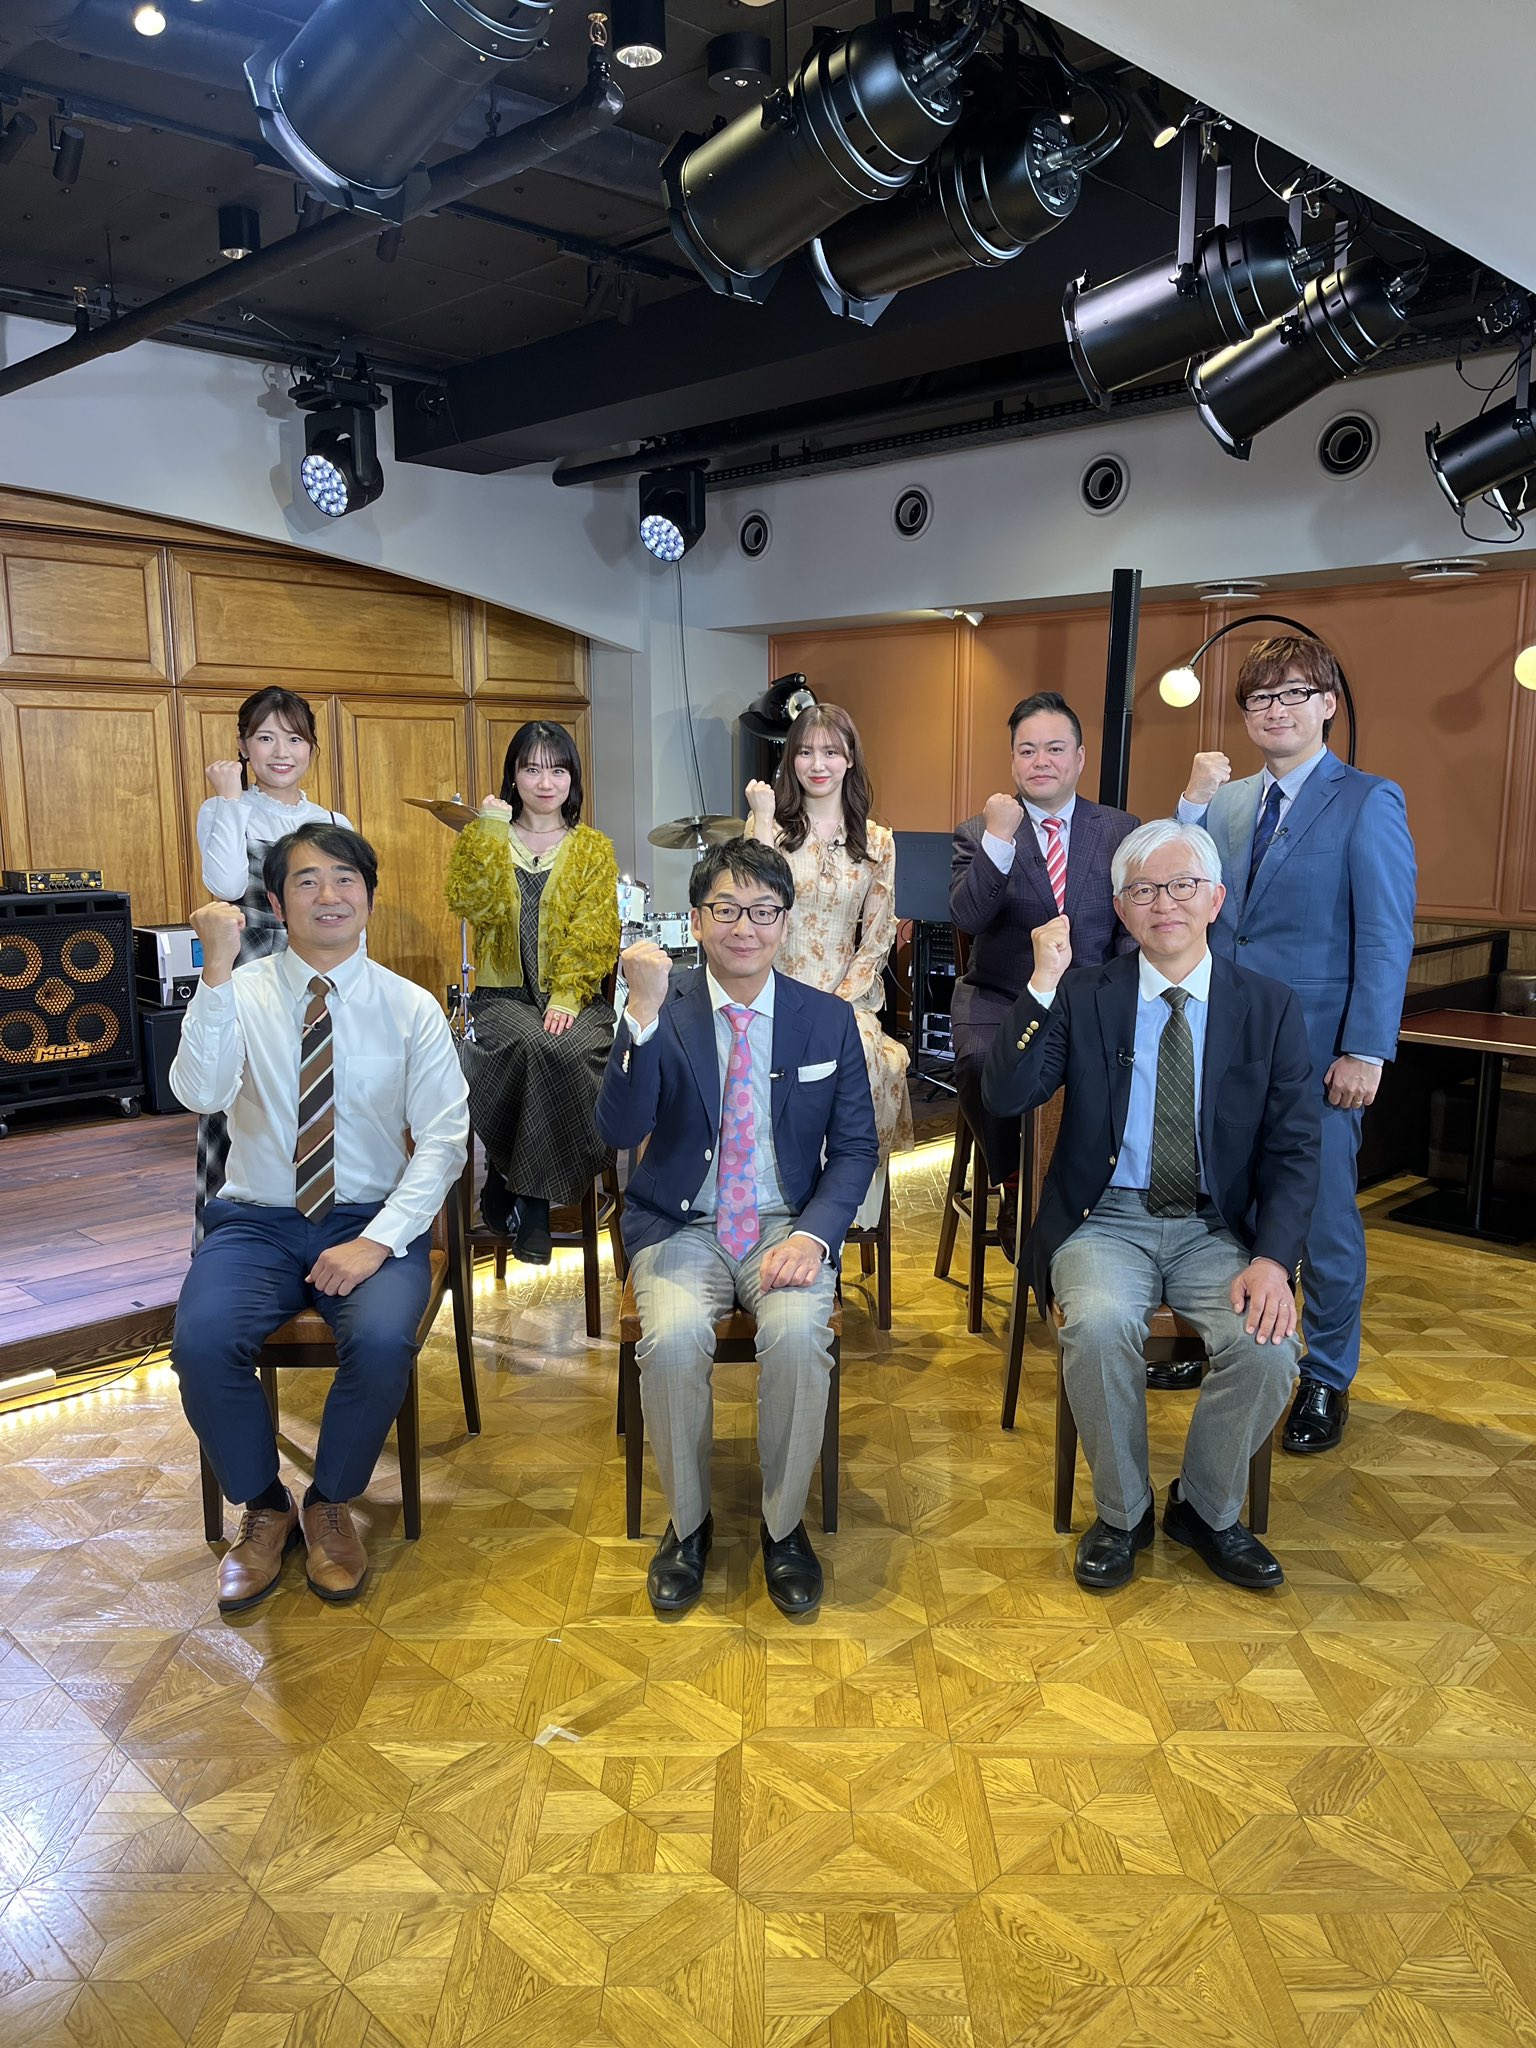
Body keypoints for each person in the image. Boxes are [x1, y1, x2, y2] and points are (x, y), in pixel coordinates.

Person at [983, 819, 1320, 1593]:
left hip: (1215, 1229)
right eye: (1143, 890)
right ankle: (1124, 1514)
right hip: (1104, 1220)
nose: (1164, 903)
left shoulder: (1267, 1007)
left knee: (1269, 1351)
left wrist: (1274, 1260)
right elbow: (1005, 1093)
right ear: (1121, 910)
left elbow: (1296, 1150)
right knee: (1099, 1327)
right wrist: (1041, 983)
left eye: (1182, 886)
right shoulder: (1084, 995)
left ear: (1215, 900)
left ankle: (1203, 1507)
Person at [169, 823, 469, 1615]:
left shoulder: (409, 1007)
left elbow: (445, 1140)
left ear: (369, 896)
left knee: (381, 1341)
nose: (328, 895)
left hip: (370, 1217)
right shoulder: (241, 990)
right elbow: (199, 1093)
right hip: (256, 1221)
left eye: (344, 879)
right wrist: (214, 973)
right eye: (306, 881)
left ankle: (330, 1502)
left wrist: (376, 1241)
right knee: (201, 1343)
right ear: (276, 903)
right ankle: (265, 1507)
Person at [595, 838, 878, 1618]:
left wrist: (814, 1236)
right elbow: (619, 1130)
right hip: (682, 1225)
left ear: (786, 922)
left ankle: (784, 1529)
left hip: (787, 1226)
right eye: (725, 909)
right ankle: (688, 1526)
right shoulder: (664, 1005)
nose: (744, 927)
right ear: (696, 919)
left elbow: (857, 1149)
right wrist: (639, 1016)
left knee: (797, 1336)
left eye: (762, 911)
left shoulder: (826, 1020)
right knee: (672, 1339)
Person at [1177, 635, 1416, 1454]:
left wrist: (1367, 1050)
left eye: (1292, 695)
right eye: (1259, 699)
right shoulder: (1228, 802)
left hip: (1320, 1055)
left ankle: (1328, 1374)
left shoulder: (1369, 800)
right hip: (1225, 1044)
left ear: (1327, 705)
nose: (1275, 711)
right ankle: (1232, 1344)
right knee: (1229, 1209)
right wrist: (1189, 803)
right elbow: (1186, 896)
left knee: (1322, 1221)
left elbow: (1385, 934)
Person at [951, 690, 1137, 1254]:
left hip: (1091, 999)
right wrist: (998, 840)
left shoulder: (1120, 830)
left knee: (1124, 1065)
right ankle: (1014, 1183)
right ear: (1013, 760)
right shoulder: (979, 831)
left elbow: (1132, 926)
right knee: (981, 1063)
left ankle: (1093, 1188)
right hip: (1000, 996)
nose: (1041, 761)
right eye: (1027, 750)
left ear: (1079, 758)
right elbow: (969, 916)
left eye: (1055, 749)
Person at [444, 721, 620, 1265]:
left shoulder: (592, 848)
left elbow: (596, 931)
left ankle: (510, 1186)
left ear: (573, 778)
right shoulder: (485, 837)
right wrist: (491, 830)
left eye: (558, 770)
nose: (546, 782)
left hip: (576, 999)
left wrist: (566, 995)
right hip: (501, 999)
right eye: (532, 769)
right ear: (513, 776)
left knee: (564, 1048)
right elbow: (476, 904)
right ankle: (534, 1203)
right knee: (535, 1044)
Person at [744, 701, 912, 1230]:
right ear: (790, 759)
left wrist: (839, 1005)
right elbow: (753, 900)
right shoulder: (769, 828)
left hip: (844, 995)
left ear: (850, 759)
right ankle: (774, 1203)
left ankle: (840, 1212)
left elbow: (879, 934)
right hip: (773, 987)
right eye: (805, 752)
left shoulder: (878, 841)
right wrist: (763, 817)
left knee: (870, 1059)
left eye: (831, 752)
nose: (818, 764)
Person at [194, 687, 354, 1226]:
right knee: (241, 1098)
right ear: (243, 746)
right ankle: (232, 1235)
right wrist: (230, 799)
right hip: (251, 966)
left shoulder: (334, 821)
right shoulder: (223, 808)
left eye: (294, 739)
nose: (281, 752)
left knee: (318, 1094)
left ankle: (321, 1230)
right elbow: (225, 884)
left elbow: (349, 911)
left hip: (319, 968)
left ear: (311, 747)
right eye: (265, 738)